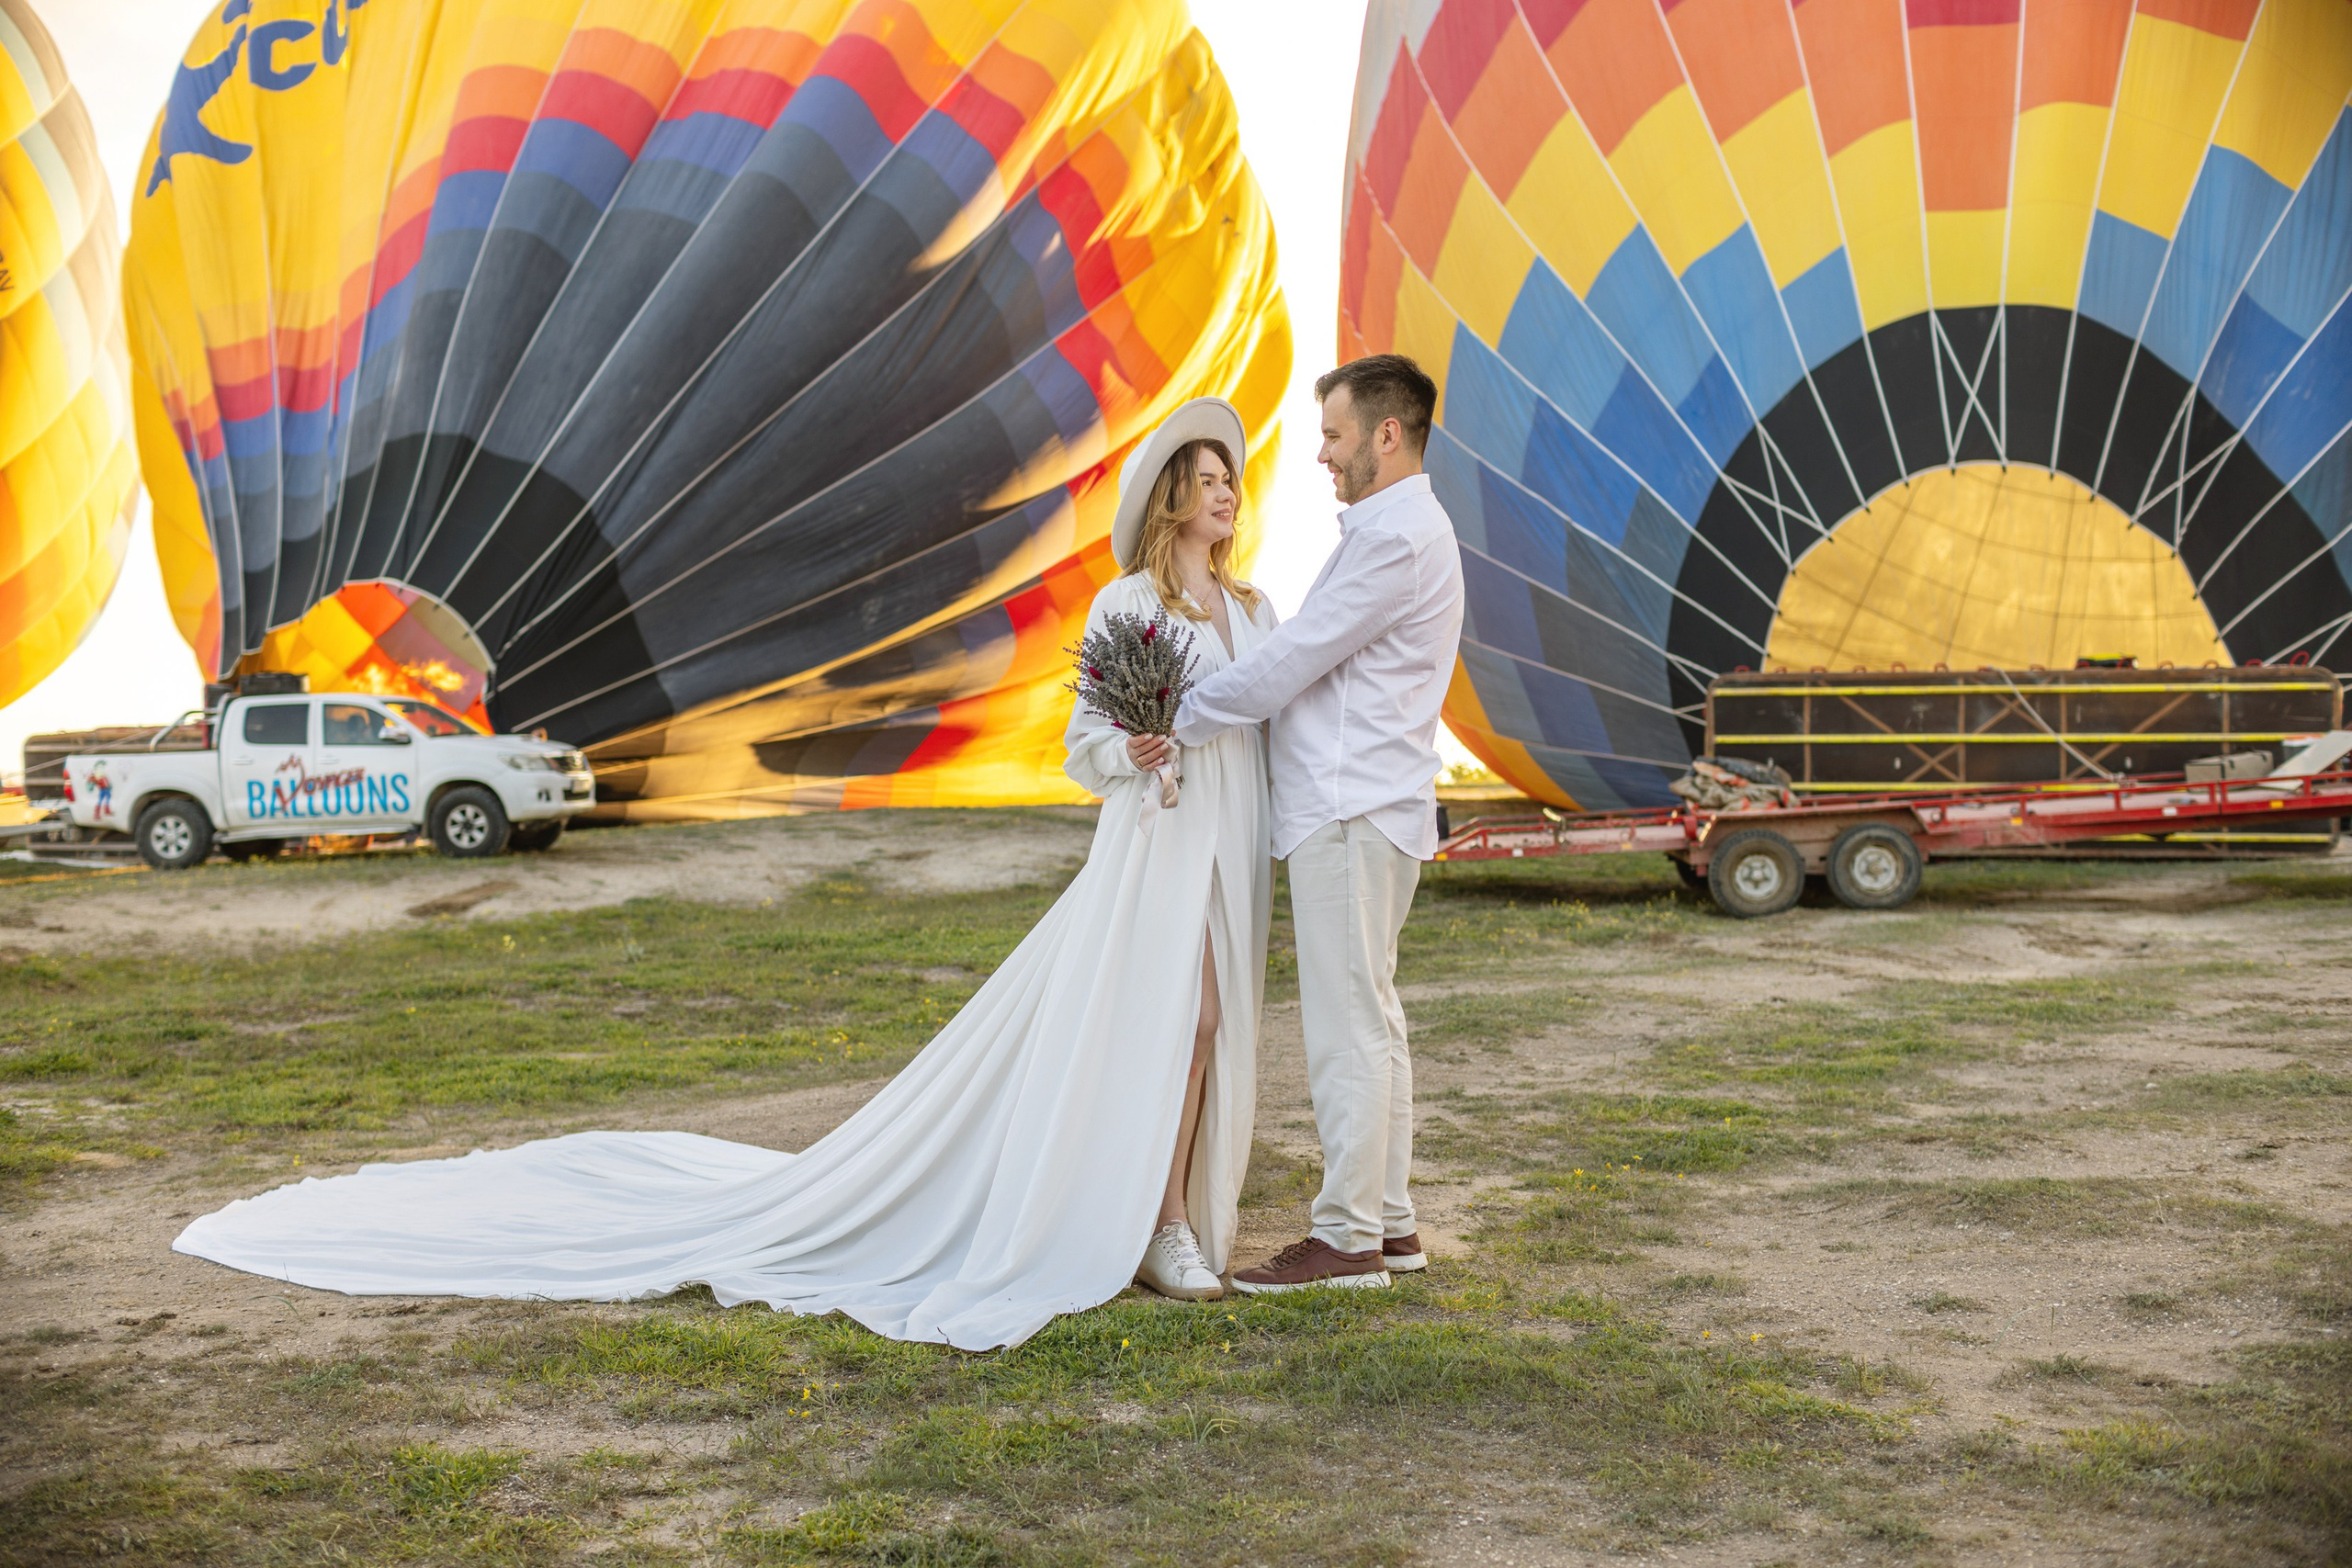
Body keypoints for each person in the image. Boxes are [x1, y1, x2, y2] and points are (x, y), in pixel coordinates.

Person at [172, 398, 1276, 1351]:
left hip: (1224, 838)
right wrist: (1130, 751)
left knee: (1200, 1027)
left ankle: (1146, 1202)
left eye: (1231, 476)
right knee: (1181, 1021)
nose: (1226, 491)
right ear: (1171, 494)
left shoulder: (1252, 609)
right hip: (1155, 847)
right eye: (1208, 476)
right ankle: (1157, 1224)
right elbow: (1085, 745)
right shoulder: (1127, 609)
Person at [1171, 354, 1464, 1295]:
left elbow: (1295, 655)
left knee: (1348, 1030)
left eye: (1334, 435)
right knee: (1374, 1018)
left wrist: (1179, 717)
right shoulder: (1399, 529)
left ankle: (1344, 1238)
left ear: (1387, 433)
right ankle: (1390, 1223)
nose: (1322, 453)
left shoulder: (1395, 539)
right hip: (1368, 804)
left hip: (1348, 807)